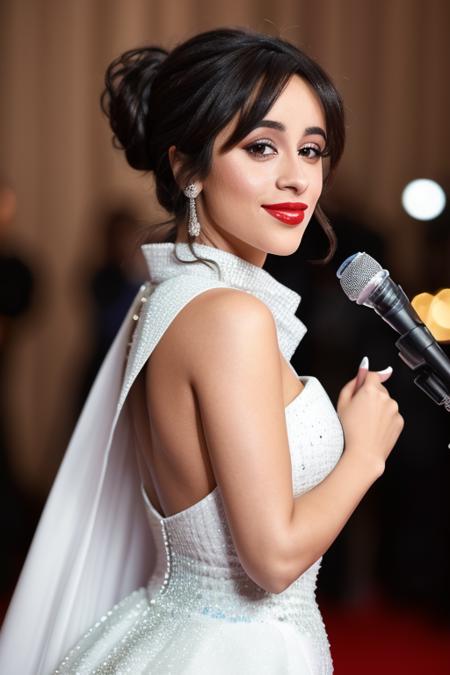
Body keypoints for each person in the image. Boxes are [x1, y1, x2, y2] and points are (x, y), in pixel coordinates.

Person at [0, 28, 403, 674]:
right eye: (262, 146)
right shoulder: (230, 317)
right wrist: (364, 452)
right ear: (186, 166)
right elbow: (271, 558)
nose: (297, 178)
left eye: (312, 149)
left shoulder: (167, 296)